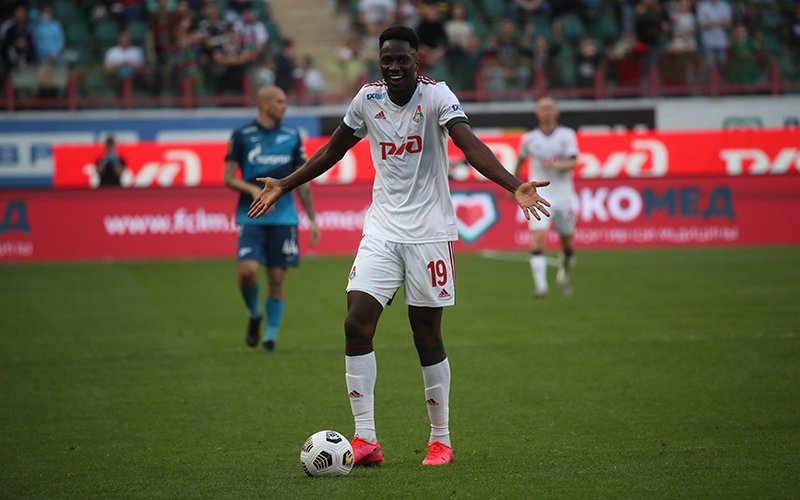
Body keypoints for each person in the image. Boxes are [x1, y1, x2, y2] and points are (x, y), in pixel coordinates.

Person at [248, 26, 550, 466]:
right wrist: (285, 184)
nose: (393, 67)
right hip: (382, 230)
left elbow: (469, 145)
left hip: (429, 233)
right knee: (356, 323)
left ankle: (440, 440)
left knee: (425, 334)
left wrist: (513, 184)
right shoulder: (367, 99)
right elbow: (333, 150)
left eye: (401, 59)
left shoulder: (437, 96)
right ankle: (366, 438)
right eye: (386, 59)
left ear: (416, 60)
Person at [223, 86, 320, 352]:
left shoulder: (292, 135)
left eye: (285, 101)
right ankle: (255, 313)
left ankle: (270, 337)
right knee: (247, 272)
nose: (284, 106)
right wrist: (252, 189)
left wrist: (312, 219)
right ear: (264, 105)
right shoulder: (242, 135)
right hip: (251, 215)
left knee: (276, 278)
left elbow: (302, 180)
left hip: (284, 218)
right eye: (279, 101)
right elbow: (228, 177)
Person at [512, 97, 578, 298]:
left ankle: (563, 278)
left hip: (564, 196)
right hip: (539, 196)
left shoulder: (567, 135)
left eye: (550, 108)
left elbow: (574, 162)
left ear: (556, 112)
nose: (547, 112)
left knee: (567, 245)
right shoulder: (529, 139)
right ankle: (541, 288)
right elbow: (520, 161)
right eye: (543, 109)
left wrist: (556, 165)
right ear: (537, 113)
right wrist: (513, 186)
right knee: (538, 239)